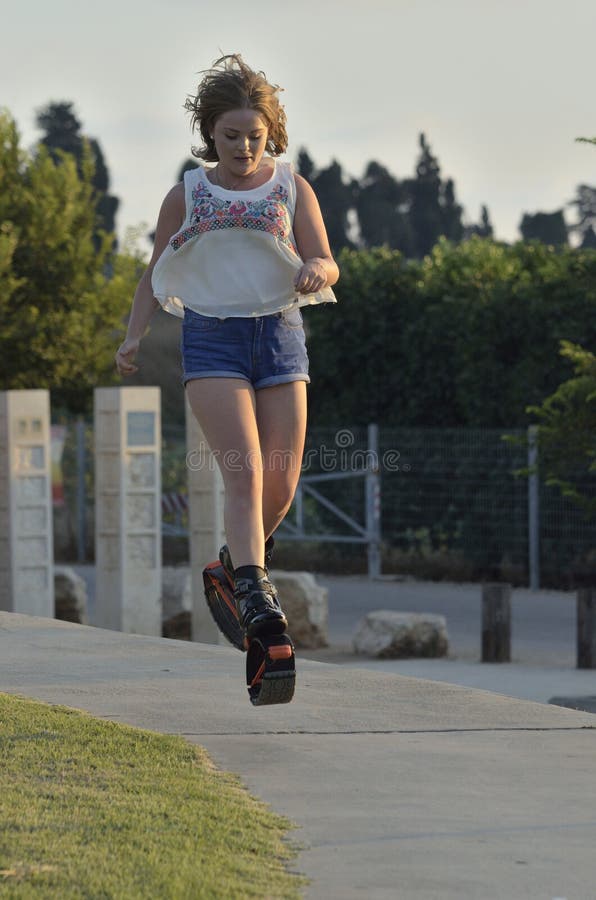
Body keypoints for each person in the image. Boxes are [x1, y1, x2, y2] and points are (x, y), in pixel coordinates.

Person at [116, 53, 339, 640]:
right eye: (232, 136)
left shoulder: (292, 186)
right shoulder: (186, 194)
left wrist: (319, 268)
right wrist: (134, 335)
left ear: (272, 133)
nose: (244, 148)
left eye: (255, 137)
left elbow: (326, 257)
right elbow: (155, 271)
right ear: (210, 133)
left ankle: (229, 566)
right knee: (243, 474)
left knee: (282, 481)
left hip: (282, 335)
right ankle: (256, 599)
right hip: (213, 337)